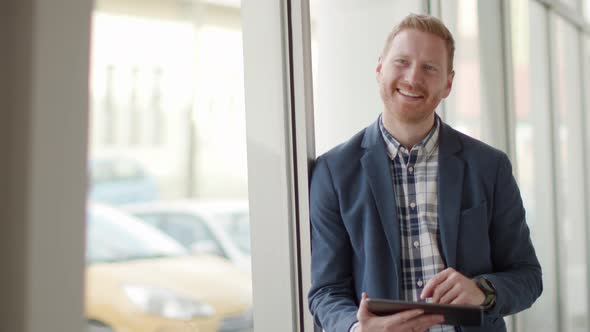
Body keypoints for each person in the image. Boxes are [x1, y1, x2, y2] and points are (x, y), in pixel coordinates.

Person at [307, 13, 542, 332]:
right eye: (401, 62)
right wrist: (356, 329)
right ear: (379, 69)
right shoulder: (333, 172)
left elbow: (527, 276)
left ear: (448, 83)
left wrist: (482, 291)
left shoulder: (490, 167)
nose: (413, 78)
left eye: (429, 68)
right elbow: (326, 291)